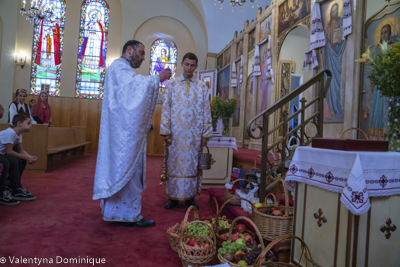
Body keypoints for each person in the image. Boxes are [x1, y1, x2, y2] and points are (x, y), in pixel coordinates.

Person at [93, 40, 171, 227]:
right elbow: (132, 88)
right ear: (130, 50)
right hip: (123, 137)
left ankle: (115, 212)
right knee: (129, 171)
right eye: (142, 53)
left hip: (122, 132)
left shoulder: (120, 68)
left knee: (127, 171)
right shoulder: (120, 68)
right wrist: (156, 78)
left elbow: (131, 91)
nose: (144, 58)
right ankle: (127, 215)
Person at [160, 52, 213, 210]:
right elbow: (166, 107)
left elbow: (206, 110)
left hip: (194, 135)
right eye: (187, 64)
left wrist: (205, 133)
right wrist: (166, 130)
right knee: (173, 163)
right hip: (176, 134)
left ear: (196, 67)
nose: (189, 68)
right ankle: (173, 197)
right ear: (182, 64)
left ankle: (190, 197)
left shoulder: (202, 87)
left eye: (192, 65)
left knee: (192, 165)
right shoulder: (172, 84)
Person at [0, 115, 37, 206]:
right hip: (2, 154)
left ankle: (13, 186)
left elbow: (21, 150)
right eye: (28, 123)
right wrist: (26, 157)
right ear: (19, 123)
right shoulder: (11, 133)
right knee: (12, 161)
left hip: (2, 153)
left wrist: (29, 157)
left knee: (21, 160)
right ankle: (8, 188)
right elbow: (9, 152)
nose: (31, 126)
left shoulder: (18, 134)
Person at [368, 24, 393, 140]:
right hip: (379, 83)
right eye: (382, 33)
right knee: (377, 108)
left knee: (386, 108)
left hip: (388, 82)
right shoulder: (377, 49)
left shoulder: (393, 49)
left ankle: (387, 136)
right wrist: (372, 80)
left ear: (390, 34)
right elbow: (374, 68)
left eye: (386, 32)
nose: (383, 35)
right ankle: (375, 139)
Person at [324, 3, 347, 121]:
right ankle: (330, 109)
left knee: (337, 82)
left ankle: (337, 108)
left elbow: (345, 37)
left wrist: (340, 41)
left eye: (335, 10)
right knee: (330, 80)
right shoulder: (328, 26)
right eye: (332, 11)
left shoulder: (342, 22)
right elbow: (324, 42)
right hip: (330, 56)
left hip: (338, 55)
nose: (334, 13)